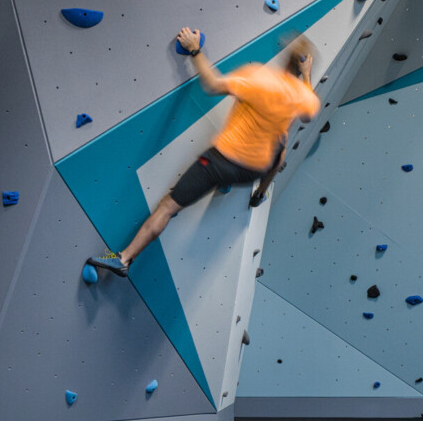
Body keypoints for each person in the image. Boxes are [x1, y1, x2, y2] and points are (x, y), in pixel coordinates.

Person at [87, 28, 319, 278]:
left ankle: (124, 258)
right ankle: (258, 194)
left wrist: (195, 50)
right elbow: (309, 112)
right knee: (280, 148)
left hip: (221, 161)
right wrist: (306, 77)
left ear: (284, 57)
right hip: (252, 171)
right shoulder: (303, 97)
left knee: (167, 206)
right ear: (302, 66)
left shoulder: (258, 78)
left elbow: (212, 85)